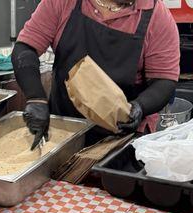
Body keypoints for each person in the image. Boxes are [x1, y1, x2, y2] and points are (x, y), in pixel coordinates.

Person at [11, 0, 180, 149]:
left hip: (122, 138)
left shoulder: (157, 17)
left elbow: (164, 80)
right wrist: (36, 98)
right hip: (64, 128)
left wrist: (140, 107)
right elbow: (26, 48)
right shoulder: (64, 3)